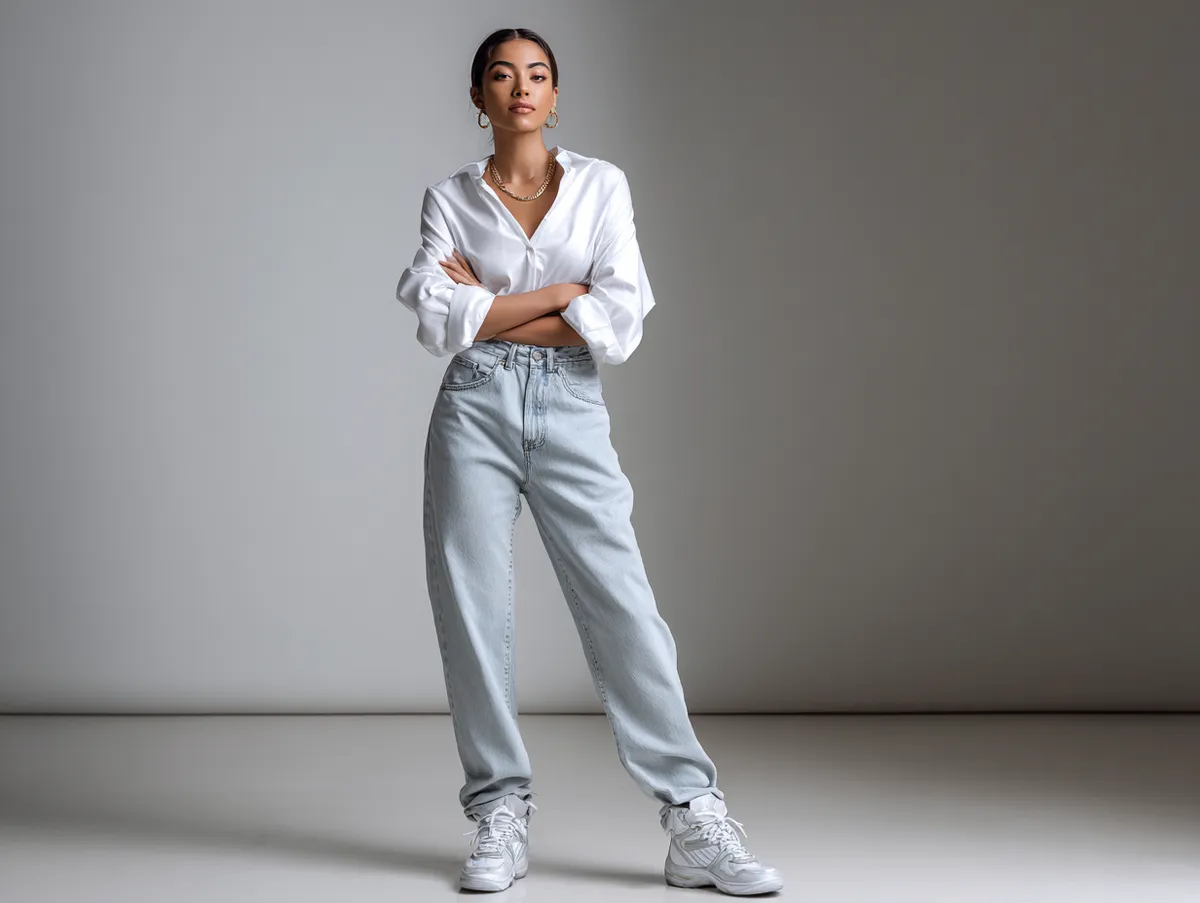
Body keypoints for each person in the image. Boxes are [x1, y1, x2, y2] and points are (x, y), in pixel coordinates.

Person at [394, 27, 784, 897]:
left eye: (536, 75)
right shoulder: (450, 197)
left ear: (556, 95)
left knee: (625, 608)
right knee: (470, 611)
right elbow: (433, 313)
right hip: (475, 409)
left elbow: (619, 315)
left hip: (570, 404)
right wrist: (557, 295)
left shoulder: (602, 185)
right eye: (502, 74)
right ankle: (498, 809)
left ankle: (694, 815)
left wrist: (490, 305)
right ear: (478, 96)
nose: (520, 88)